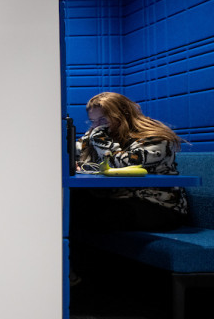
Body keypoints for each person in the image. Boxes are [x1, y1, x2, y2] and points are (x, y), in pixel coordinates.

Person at [73, 91, 188, 233]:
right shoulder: (99, 134)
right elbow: (70, 153)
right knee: (69, 204)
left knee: (84, 216)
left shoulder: (155, 138)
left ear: (123, 116)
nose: (96, 127)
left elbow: (123, 164)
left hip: (159, 206)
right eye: (93, 121)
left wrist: (99, 140)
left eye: (103, 120)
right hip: (116, 199)